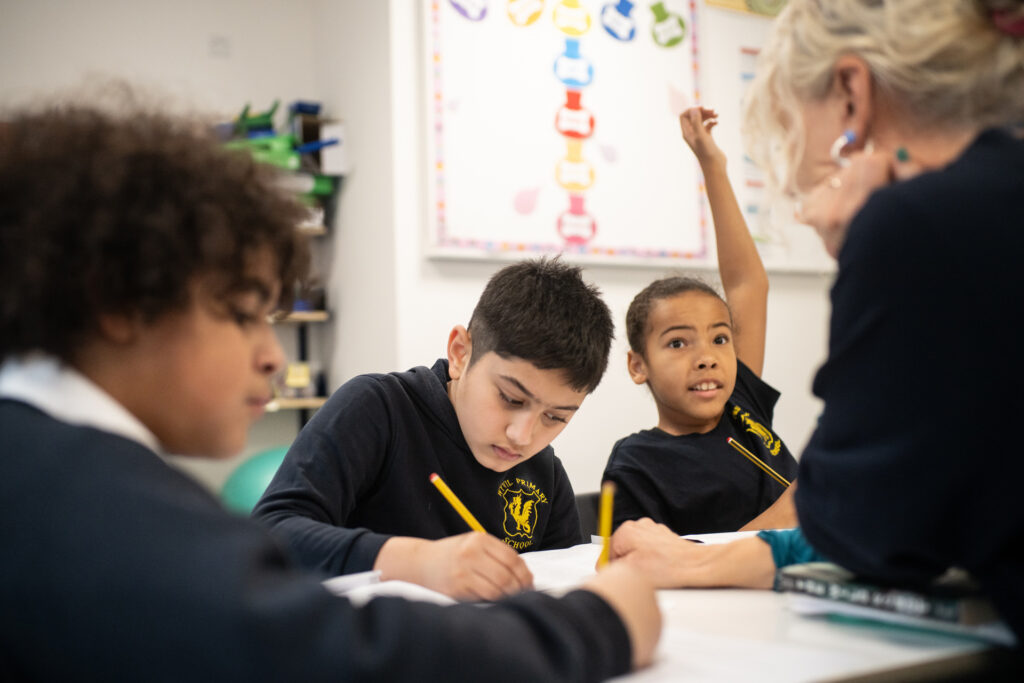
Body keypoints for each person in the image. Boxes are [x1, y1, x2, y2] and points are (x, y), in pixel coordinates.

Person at [0, 96, 661, 680]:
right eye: (240, 311)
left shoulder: (55, 463)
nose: (269, 356)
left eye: (555, 416)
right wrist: (595, 626)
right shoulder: (75, 497)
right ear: (115, 302)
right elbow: (319, 646)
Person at [608, 0, 1024, 646]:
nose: (803, 203)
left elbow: (864, 520)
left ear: (851, 96)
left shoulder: (914, 222)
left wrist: (876, 237)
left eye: (789, 131)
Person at [252, 257, 614, 600]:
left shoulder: (544, 472)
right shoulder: (378, 409)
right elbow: (270, 534)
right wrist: (415, 561)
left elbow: (560, 582)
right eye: (510, 398)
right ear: (460, 353)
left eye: (555, 417)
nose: (522, 436)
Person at [600, 106, 799, 536]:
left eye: (720, 339)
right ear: (638, 365)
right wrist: (790, 516)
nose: (707, 357)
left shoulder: (741, 407)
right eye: (677, 343)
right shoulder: (637, 462)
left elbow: (748, 284)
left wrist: (714, 165)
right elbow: (654, 566)